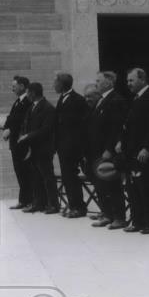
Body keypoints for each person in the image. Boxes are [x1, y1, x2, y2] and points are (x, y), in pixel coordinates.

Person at [117, 68, 149, 234]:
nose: (128, 84)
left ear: (142, 79)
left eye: (131, 80)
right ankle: (138, 221)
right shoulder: (136, 98)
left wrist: (147, 148)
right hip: (131, 151)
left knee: (145, 187)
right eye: (128, 81)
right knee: (133, 187)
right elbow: (130, 125)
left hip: (143, 152)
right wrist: (122, 142)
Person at [87, 71, 128, 229]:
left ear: (109, 83)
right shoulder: (102, 100)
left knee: (112, 184)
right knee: (101, 184)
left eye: (98, 81)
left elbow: (116, 128)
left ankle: (119, 217)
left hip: (107, 151)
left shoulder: (116, 100)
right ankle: (107, 214)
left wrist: (110, 149)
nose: (96, 83)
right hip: (96, 150)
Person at [17, 81, 60, 214]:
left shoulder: (47, 108)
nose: (27, 95)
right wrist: (23, 135)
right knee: (36, 177)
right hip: (33, 148)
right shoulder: (32, 107)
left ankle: (53, 204)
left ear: (33, 93)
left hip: (44, 149)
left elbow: (46, 129)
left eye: (28, 92)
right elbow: (26, 124)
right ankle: (39, 203)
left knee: (47, 177)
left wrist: (27, 136)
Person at [52, 72, 89, 218]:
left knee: (72, 177)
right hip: (63, 146)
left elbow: (81, 125)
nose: (54, 85)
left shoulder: (78, 100)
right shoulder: (62, 98)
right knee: (67, 177)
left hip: (72, 147)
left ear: (62, 84)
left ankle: (78, 207)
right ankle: (73, 205)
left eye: (55, 82)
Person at [2, 75, 33, 209]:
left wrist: (11, 130)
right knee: (19, 172)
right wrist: (6, 128)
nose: (12, 88)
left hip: (23, 144)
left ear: (22, 86)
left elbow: (22, 120)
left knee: (25, 172)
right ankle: (23, 200)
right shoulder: (18, 101)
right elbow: (10, 117)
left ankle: (29, 200)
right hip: (15, 143)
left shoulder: (28, 101)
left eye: (14, 86)